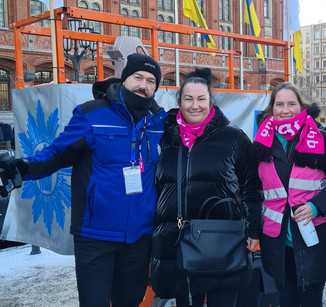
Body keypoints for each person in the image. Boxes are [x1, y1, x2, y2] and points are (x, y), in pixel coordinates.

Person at [0, 53, 167, 307]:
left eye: (151, 81)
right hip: (95, 236)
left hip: (139, 237)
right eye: (138, 77)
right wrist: (25, 167)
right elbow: (58, 153)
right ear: (124, 79)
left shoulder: (158, 123)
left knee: (130, 302)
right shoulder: (92, 115)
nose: (144, 86)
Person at [151, 68, 262, 307]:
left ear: (211, 102)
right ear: (179, 101)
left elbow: (252, 187)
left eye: (201, 99)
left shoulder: (233, 138)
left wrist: (254, 230)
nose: (195, 105)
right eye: (188, 99)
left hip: (222, 242)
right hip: (176, 243)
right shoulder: (164, 137)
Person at [252, 82, 326, 307]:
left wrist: (316, 206)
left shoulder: (323, 139)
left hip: (315, 238)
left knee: (312, 301)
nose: (285, 110)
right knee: (286, 300)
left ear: (301, 107)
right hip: (278, 241)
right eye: (279, 104)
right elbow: (254, 191)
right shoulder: (261, 144)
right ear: (271, 108)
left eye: (291, 104)